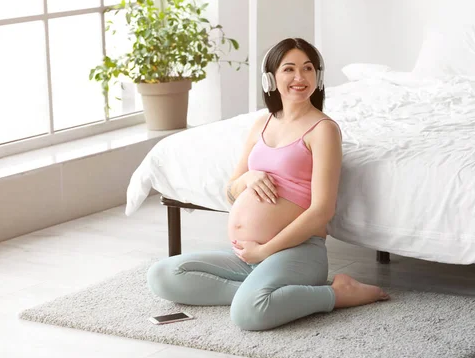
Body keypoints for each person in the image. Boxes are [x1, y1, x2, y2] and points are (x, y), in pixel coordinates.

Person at [147, 37, 389, 331]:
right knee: (162, 275)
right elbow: (231, 191)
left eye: (308, 69)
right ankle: (266, 293)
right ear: (271, 78)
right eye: (289, 69)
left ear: (318, 77)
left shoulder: (323, 130)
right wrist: (248, 178)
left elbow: (322, 211)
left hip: (298, 252)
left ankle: (336, 294)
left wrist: (266, 251)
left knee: (249, 315)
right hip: (247, 255)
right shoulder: (261, 124)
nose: (299, 78)